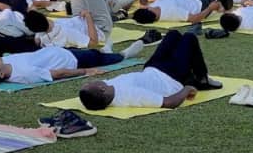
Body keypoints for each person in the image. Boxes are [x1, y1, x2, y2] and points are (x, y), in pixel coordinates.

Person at [78, 31, 221, 110]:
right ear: (102, 89)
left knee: (173, 35)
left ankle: (195, 76)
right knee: (189, 38)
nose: (93, 81)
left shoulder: (105, 88)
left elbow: (91, 94)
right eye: (92, 83)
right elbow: (168, 102)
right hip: (171, 77)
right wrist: (187, 89)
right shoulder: (132, 96)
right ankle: (202, 79)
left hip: (151, 68)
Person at [0, 44, 130, 87]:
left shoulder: (7, 65)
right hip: (72, 60)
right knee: (96, 57)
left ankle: (103, 52)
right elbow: (58, 74)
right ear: (1, 75)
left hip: (59, 51)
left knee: (94, 53)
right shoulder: (25, 74)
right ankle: (123, 55)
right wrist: (86, 71)